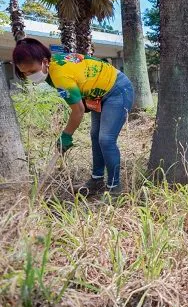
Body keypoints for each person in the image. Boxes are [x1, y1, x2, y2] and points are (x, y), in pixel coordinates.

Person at [12, 38, 134, 196]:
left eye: (32, 71)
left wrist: (66, 135)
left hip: (117, 90)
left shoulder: (59, 75)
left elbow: (78, 111)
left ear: (44, 62)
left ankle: (114, 189)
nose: (29, 75)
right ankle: (96, 181)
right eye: (24, 73)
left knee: (106, 139)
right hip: (96, 94)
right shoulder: (52, 64)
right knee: (95, 136)